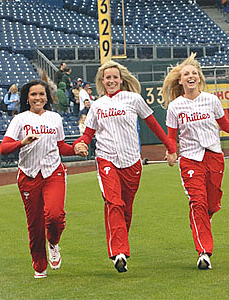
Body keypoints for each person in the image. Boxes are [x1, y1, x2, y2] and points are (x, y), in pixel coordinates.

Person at [162, 53, 229, 270]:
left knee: (211, 204)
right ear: (180, 81)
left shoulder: (211, 100)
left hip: (214, 157)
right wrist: (172, 152)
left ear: (199, 78)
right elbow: (172, 136)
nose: (190, 77)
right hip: (190, 160)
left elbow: (226, 125)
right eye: (186, 74)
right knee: (197, 202)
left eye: (194, 73)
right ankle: (204, 251)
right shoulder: (175, 107)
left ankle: (200, 222)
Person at [72, 60, 177, 273]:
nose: (111, 81)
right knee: (114, 203)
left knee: (126, 209)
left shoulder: (134, 99)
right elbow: (88, 134)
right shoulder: (97, 105)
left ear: (121, 79)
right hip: (106, 159)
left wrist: (170, 146)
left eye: (114, 77)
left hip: (132, 161)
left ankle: (120, 243)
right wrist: (80, 144)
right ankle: (119, 252)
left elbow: (154, 125)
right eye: (107, 78)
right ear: (102, 81)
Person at [0, 79, 87, 279]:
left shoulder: (55, 118)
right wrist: (22, 142)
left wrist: (75, 148)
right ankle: (39, 265)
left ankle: (54, 243)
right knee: (35, 223)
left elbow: (60, 146)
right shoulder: (20, 119)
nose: (38, 98)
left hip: (53, 172)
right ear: (27, 98)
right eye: (33, 94)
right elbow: (4, 148)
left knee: (55, 215)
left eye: (41, 94)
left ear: (47, 97)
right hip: (29, 175)